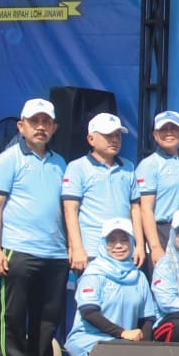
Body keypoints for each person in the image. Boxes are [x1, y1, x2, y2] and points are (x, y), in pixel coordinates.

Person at [0, 98, 70, 356]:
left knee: (48, 317)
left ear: (54, 127)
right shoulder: (9, 159)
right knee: (13, 315)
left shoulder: (60, 163)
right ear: (21, 126)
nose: (41, 127)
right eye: (35, 121)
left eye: (46, 122)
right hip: (18, 248)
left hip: (55, 252)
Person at [63, 219, 159, 356]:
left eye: (124, 240)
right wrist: (122, 333)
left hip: (124, 344)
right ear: (103, 244)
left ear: (132, 242)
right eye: (112, 240)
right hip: (91, 340)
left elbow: (147, 319)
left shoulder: (139, 277)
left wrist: (144, 350)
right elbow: (89, 313)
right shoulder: (93, 273)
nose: (118, 245)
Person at [61, 113, 141, 273]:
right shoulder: (77, 167)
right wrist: (77, 247)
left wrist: (138, 245)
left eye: (118, 135)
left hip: (124, 250)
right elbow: (70, 210)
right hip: (92, 250)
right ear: (91, 139)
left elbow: (135, 209)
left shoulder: (128, 167)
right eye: (108, 135)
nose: (115, 140)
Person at [135, 110, 179, 265]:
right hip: (161, 232)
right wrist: (155, 246)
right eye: (163, 129)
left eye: (174, 128)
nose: (169, 133)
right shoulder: (149, 165)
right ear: (155, 135)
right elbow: (145, 209)